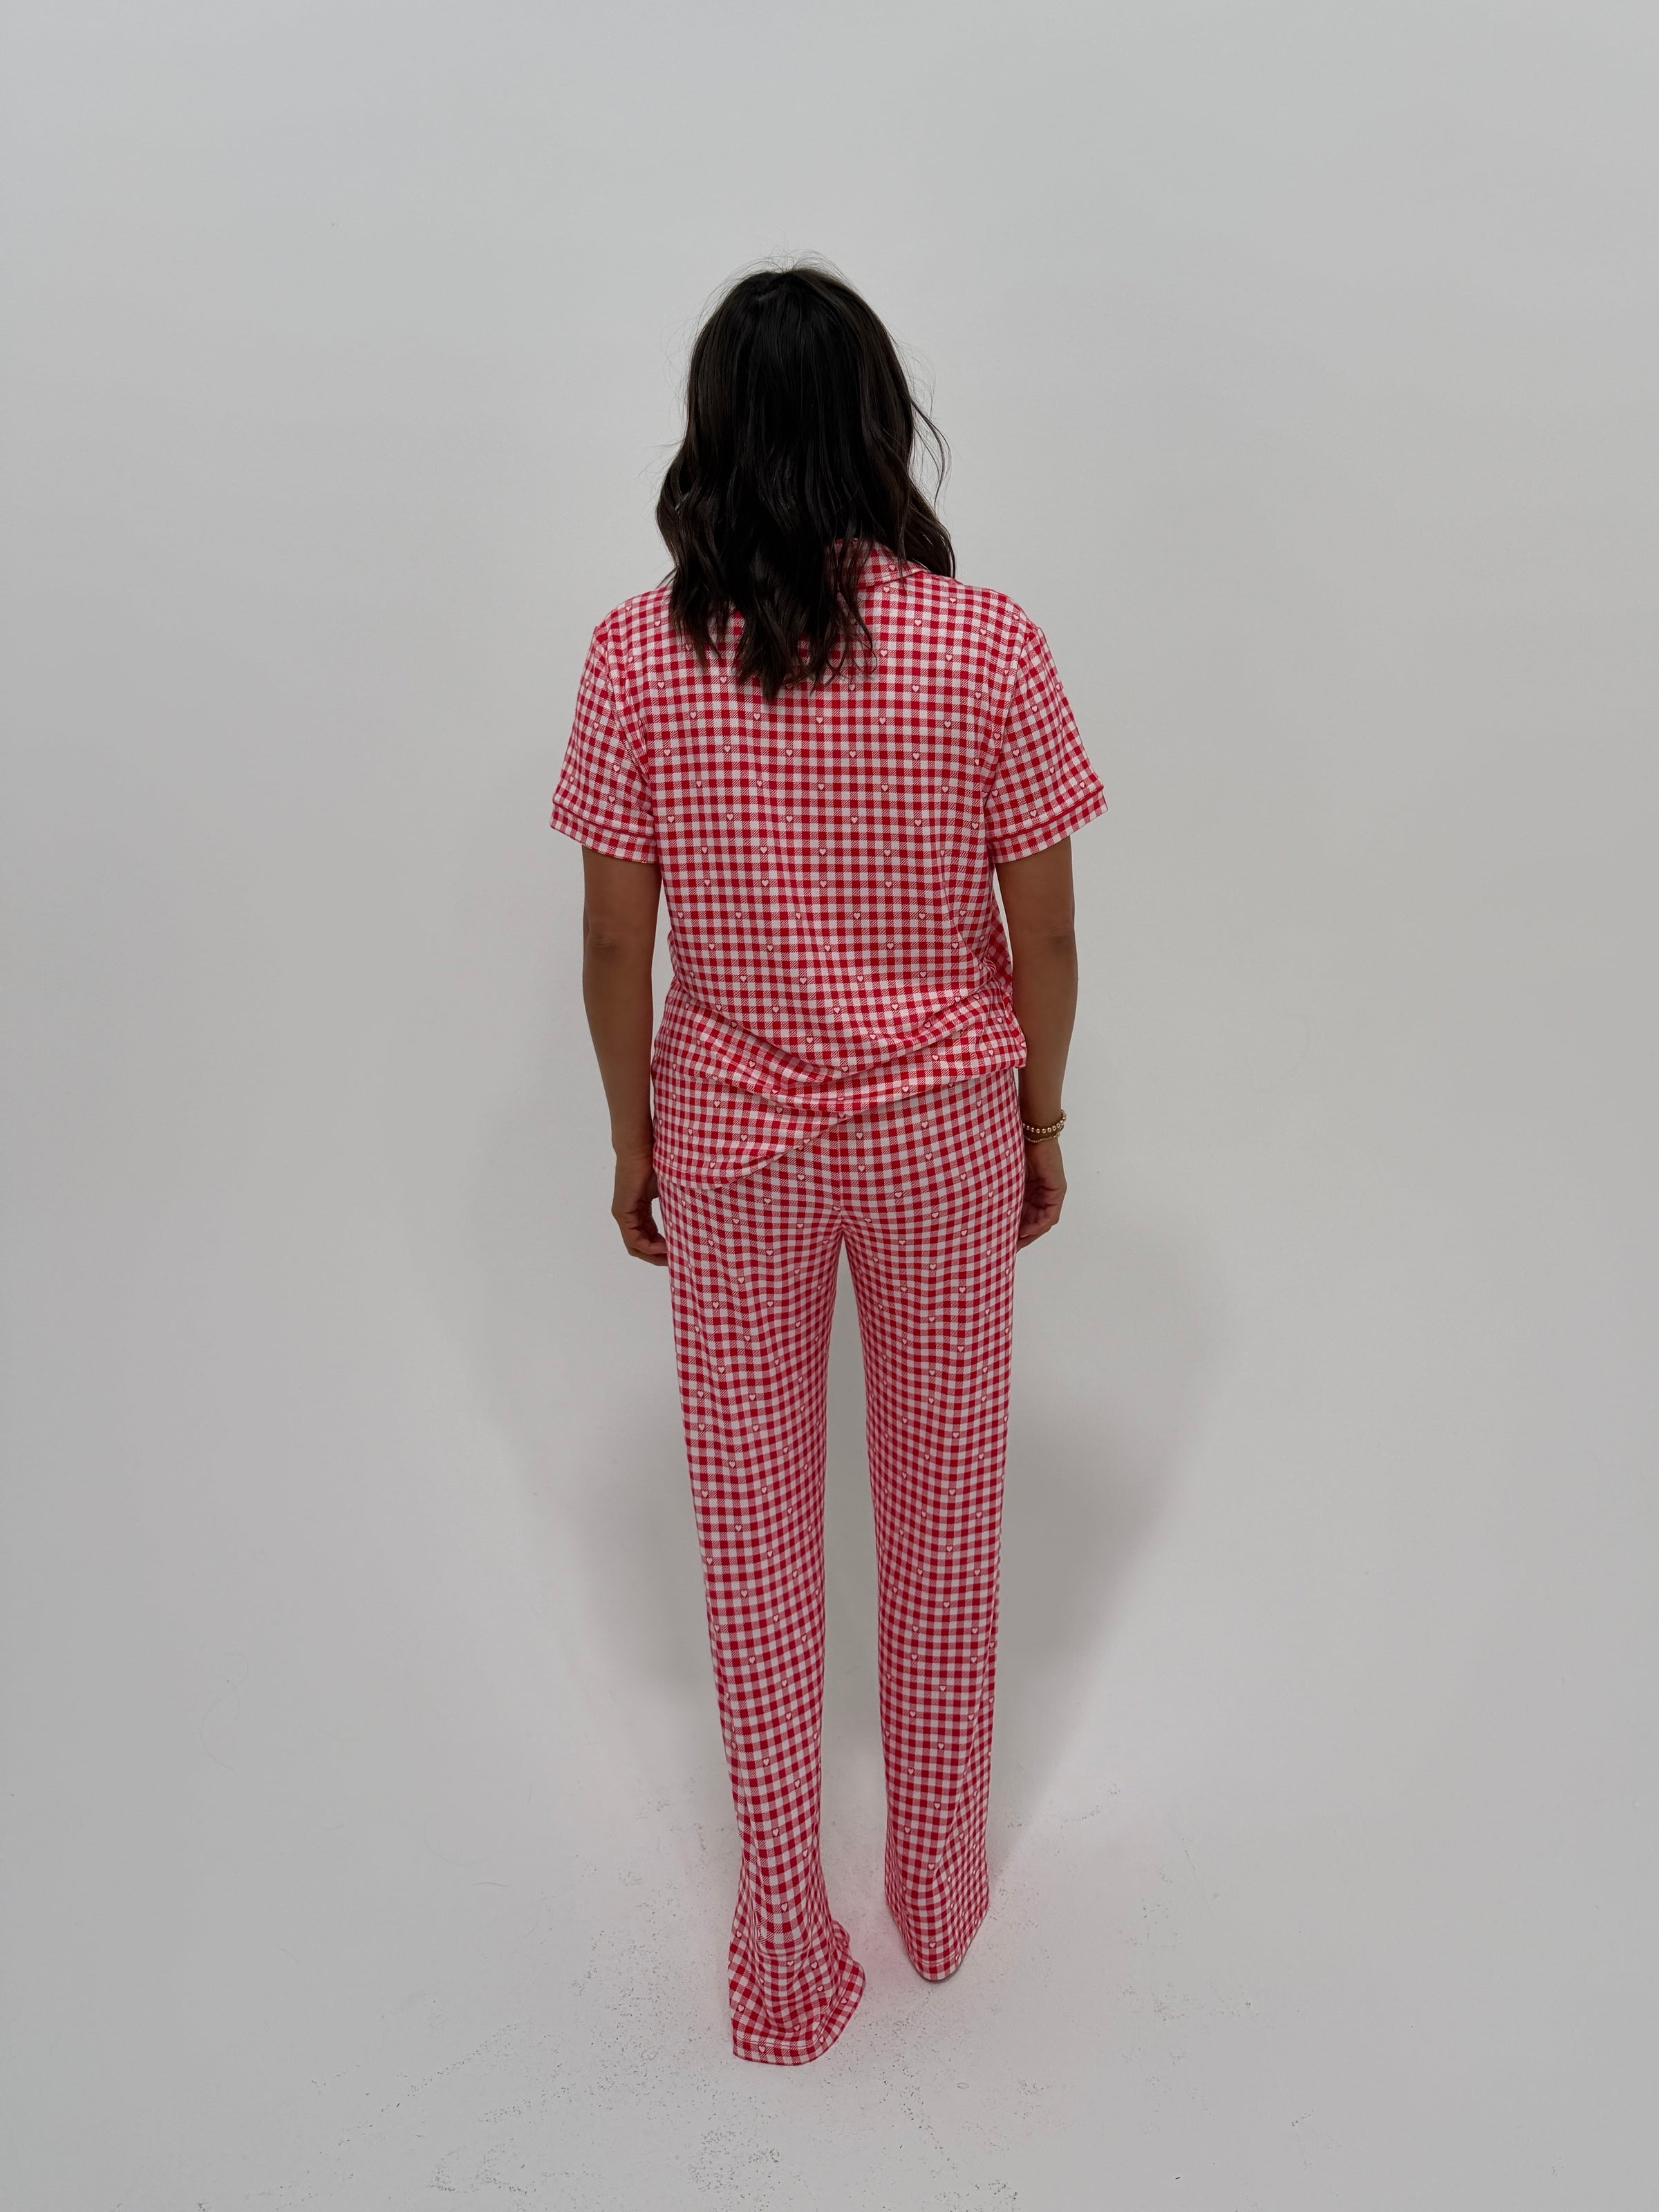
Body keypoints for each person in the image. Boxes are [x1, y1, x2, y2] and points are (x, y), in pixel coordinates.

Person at [548, 262, 1107, 2065]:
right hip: (941, 1127)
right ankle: (937, 1891)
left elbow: (614, 939)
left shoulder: (636, 654)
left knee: (750, 1528)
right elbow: (1047, 939)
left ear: (712, 433)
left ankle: (783, 1937)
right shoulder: (988, 642)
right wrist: (1039, 1121)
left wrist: (632, 1132)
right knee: (945, 1510)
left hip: (732, 1133)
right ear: (878, 423)